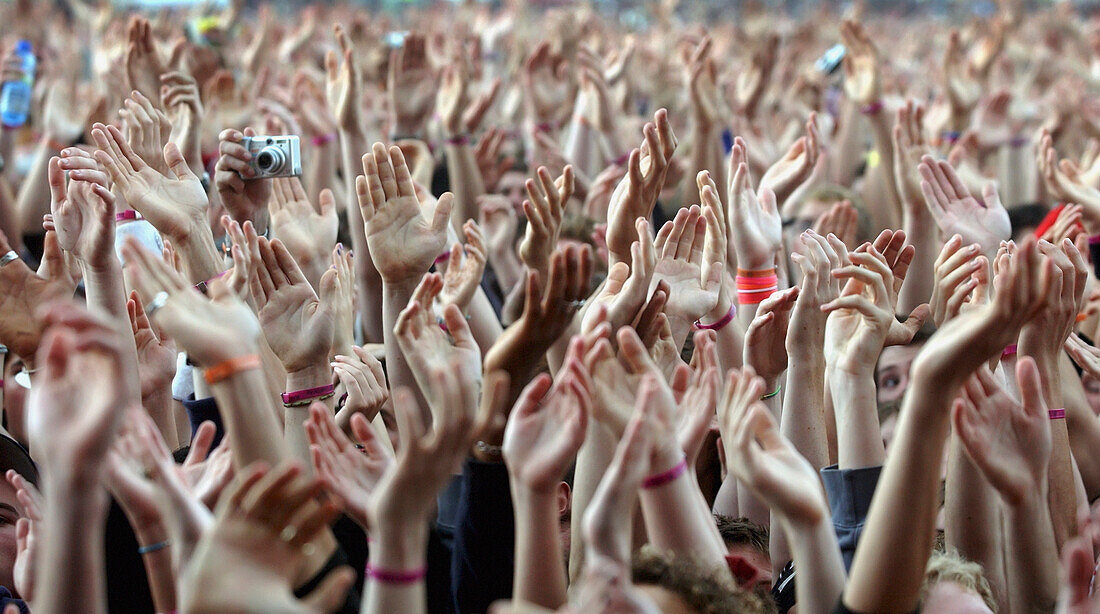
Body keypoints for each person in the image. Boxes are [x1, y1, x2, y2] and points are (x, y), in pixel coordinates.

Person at [0, 1, 1099, 613]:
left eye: (593, 596)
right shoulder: (762, 534)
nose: (594, 586)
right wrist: (830, 368)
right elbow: (842, 548)